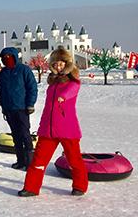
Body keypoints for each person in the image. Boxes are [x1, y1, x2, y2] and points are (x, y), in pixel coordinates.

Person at [18, 47, 88, 197]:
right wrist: (42, 125)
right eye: (55, 64)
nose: (58, 66)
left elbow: (70, 92)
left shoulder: (73, 82)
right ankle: (31, 187)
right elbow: (47, 108)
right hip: (48, 130)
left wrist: (63, 96)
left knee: (74, 160)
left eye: (61, 64)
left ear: (67, 64)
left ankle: (80, 186)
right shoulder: (52, 84)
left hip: (67, 129)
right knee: (38, 160)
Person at [0, 47, 38, 170]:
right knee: (16, 136)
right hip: (9, 109)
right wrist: (3, 107)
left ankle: (29, 162)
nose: (6, 59)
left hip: (22, 108)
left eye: (9, 57)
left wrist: (30, 104)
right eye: (4, 58)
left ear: (14, 57)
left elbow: (32, 88)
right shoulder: (3, 73)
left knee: (25, 135)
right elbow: (1, 91)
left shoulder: (24, 70)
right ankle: (20, 160)